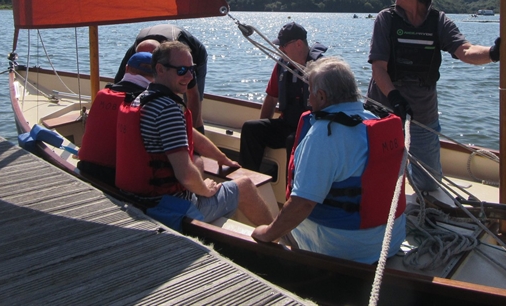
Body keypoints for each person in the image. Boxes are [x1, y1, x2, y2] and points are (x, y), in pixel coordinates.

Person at [367, 0, 506, 192]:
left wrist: (494, 52)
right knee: (380, 181)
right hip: (384, 111)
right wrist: (395, 97)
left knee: (429, 185)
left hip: (422, 116)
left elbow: (466, 51)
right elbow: (378, 68)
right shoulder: (385, 19)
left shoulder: (439, 22)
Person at [252, 57, 406, 264]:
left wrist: (267, 233)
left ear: (322, 96)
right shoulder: (374, 120)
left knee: (264, 225)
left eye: (310, 93)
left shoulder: (324, 135)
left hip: (343, 249)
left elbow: (303, 204)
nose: (309, 101)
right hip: (390, 241)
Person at [116, 41, 274, 226]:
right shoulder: (168, 110)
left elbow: (196, 138)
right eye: (182, 70)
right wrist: (205, 189)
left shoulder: (140, 100)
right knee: (245, 186)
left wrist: (222, 158)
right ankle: (276, 241)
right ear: (160, 69)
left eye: (192, 70)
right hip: (170, 208)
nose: (190, 76)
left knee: (202, 169)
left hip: (138, 200)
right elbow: (185, 175)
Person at [239, 22, 327, 173]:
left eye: (283, 45)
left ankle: (291, 186)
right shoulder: (282, 66)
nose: (280, 50)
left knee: (293, 140)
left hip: (312, 129)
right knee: (251, 129)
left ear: (298, 44)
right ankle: (248, 179)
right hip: (287, 124)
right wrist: (263, 125)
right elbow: (271, 99)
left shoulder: (322, 68)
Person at [77, 52, 154, 185]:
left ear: (126, 69)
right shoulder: (149, 103)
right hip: (120, 177)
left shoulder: (102, 95)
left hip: (86, 167)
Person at [115, 24, 208, 132]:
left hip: (196, 54)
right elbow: (118, 88)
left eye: (149, 61)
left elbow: (193, 96)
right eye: (143, 61)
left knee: (192, 103)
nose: (146, 63)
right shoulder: (133, 53)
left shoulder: (179, 56)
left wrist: (190, 133)